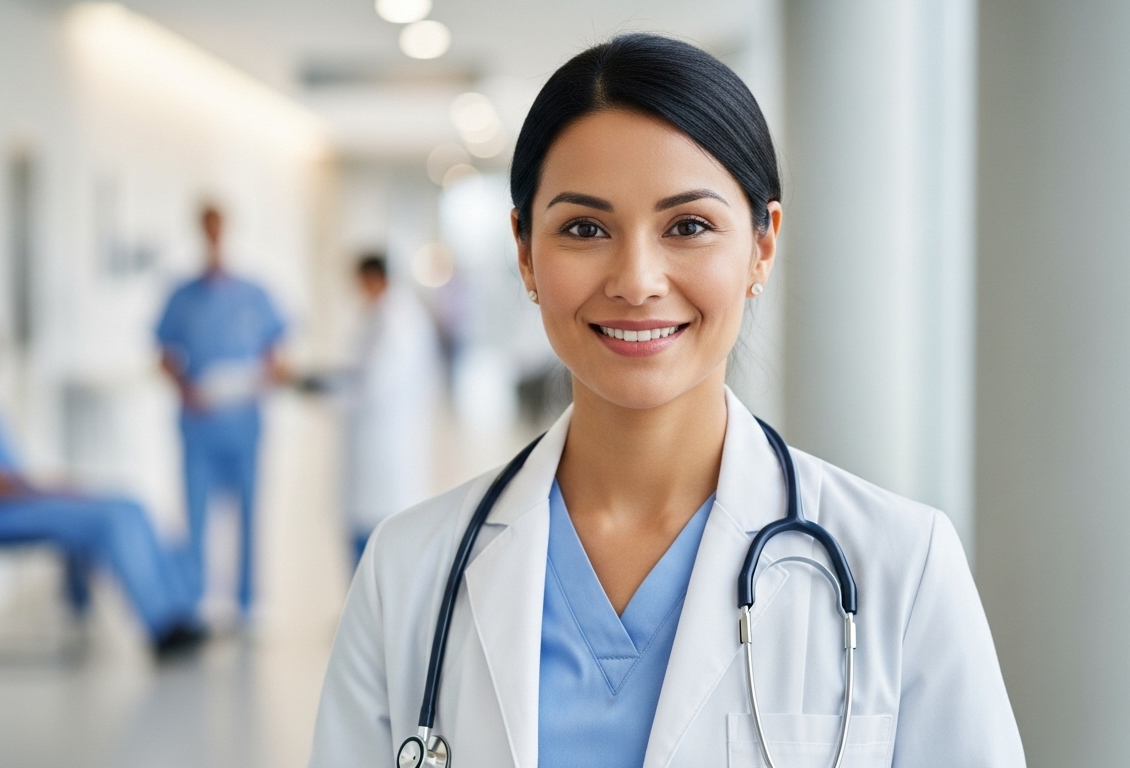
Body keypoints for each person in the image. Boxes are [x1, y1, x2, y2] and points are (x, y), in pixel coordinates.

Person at [309, 34, 1025, 768]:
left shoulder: (903, 568)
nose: (637, 279)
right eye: (585, 228)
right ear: (524, 252)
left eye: (688, 226)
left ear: (762, 245)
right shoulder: (408, 571)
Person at [0, 322, 203, 654]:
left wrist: (46, 487)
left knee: (130, 503)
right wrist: (37, 490)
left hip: (19, 500)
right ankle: (159, 627)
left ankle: (180, 610)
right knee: (109, 519)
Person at [156, 203, 289, 619]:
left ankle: (247, 602)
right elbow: (164, 354)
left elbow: (275, 352)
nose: (213, 232)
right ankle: (194, 599)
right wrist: (186, 389)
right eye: (206, 225)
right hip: (199, 425)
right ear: (199, 228)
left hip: (243, 422)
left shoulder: (254, 293)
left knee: (250, 513)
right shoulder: (182, 295)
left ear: (227, 227)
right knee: (196, 515)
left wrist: (264, 377)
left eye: (218, 224)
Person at [343, 254, 441, 563]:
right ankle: (365, 607)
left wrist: (326, 390)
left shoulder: (397, 320)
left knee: (380, 527)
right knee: (370, 517)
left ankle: (372, 610)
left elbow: (371, 384)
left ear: (374, 279)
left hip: (385, 439)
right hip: (379, 437)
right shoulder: (385, 315)